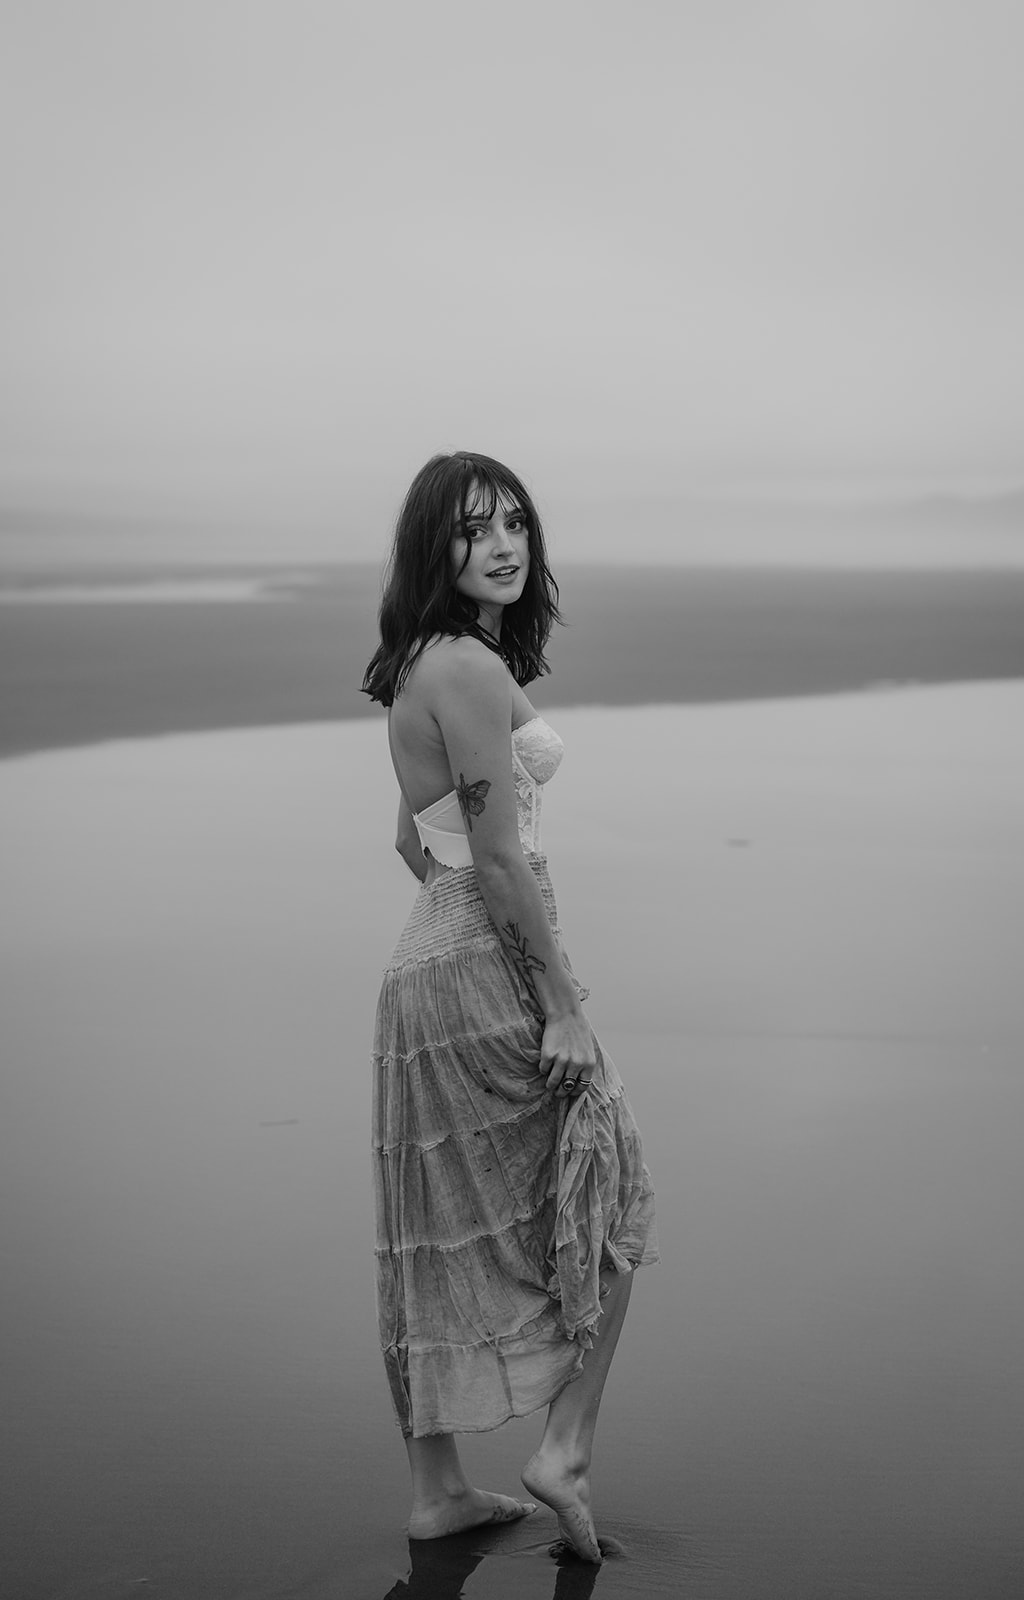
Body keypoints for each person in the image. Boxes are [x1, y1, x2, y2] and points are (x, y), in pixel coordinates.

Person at [362, 451, 658, 1564]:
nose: (502, 544)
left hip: (425, 964)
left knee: (427, 1232)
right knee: (612, 1195)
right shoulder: (469, 670)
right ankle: (561, 1450)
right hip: (484, 957)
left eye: (515, 524)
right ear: (431, 548)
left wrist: (457, 932)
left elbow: (411, 838)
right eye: (471, 529)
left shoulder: (413, 664)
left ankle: (437, 1493)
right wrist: (560, 1000)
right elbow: (492, 854)